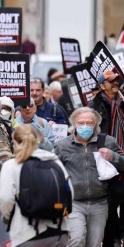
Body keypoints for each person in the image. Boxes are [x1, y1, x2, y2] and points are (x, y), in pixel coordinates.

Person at [55, 107, 124, 247]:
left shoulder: (107, 141)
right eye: (81, 123)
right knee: (76, 239)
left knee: (94, 243)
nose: (84, 126)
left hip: (100, 203)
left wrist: (113, 156)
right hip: (74, 203)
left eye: (89, 123)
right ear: (74, 124)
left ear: (96, 125)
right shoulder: (63, 146)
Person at [0, 125, 72, 247]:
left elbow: (6, 199)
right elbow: (70, 192)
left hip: (26, 233)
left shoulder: (11, 165)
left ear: (15, 142)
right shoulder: (54, 161)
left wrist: (10, 217)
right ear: (37, 139)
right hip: (59, 231)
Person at [87, 70, 124, 246]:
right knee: (109, 204)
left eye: (116, 80)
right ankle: (112, 239)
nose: (115, 83)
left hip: (122, 157)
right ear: (102, 86)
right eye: (110, 81)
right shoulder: (94, 106)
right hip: (105, 161)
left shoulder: (123, 102)